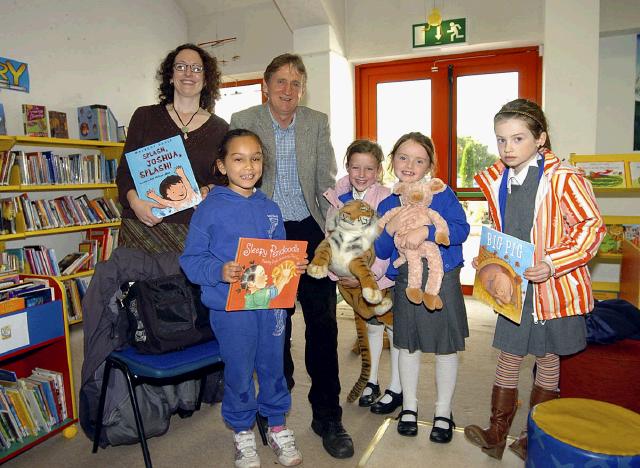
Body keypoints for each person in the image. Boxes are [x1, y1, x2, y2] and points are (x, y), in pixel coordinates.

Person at [464, 99, 605, 460]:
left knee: (547, 357)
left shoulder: (564, 178)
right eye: (501, 140)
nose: (508, 148)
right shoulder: (498, 179)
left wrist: (554, 262)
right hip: (515, 289)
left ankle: (533, 437)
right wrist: (489, 257)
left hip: (551, 290)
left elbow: (591, 227)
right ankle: (497, 432)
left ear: (541, 138)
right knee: (508, 354)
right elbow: (503, 227)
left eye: (518, 139)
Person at [230, 54, 354, 459]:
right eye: (280, 82)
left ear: (303, 88)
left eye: (295, 83)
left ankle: (327, 416)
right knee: (273, 328)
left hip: (308, 229)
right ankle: (272, 411)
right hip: (265, 233)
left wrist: (341, 238)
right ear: (266, 85)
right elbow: (237, 177)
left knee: (323, 326)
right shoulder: (244, 117)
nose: (288, 90)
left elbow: (325, 180)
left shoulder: (316, 122)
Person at [180, 129, 306, 468]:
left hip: (271, 307)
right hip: (231, 308)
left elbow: (280, 255)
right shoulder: (209, 210)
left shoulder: (271, 208)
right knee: (238, 369)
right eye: (238, 159)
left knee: (274, 366)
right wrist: (219, 271)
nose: (248, 166)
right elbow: (191, 260)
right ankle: (242, 432)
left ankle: (277, 424)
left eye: (255, 158)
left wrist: (295, 265)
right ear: (222, 165)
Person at [374, 132, 470, 442]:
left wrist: (428, 230)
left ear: (430, 165)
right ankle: (410, 407)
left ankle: (443, 410)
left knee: (445, 347)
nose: (410, 165)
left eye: (419, 160)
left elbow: (461, 229)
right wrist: (389, 228)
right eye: (403, 157)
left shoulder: (442, 193)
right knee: (406, 344)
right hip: (407, 280)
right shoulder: (390, 201)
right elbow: (381, 251)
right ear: (392, 161)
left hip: (444, 278)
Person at [116, 43, 228, 253]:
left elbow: (224, 180)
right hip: (142, 227)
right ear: (170, 75)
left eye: (196, 68)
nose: (188, 73)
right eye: (181, 66)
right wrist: (134, 202)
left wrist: (209, 190)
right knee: (139, 286)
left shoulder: (221, 128)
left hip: (194, 230)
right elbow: (124, 172)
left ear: (205, 80)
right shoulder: (144, 117)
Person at [322, 139, 401, 412]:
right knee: (372, 328)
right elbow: (329, 240)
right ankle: (373, 381)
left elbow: (387, 245)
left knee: (393, 328)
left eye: (369, 168)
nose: (361, 174)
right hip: (349, 280)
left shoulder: (387, 199)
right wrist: (337, 273)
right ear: (347, 167)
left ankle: (397, 386)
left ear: (379, 170)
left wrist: (371, 277)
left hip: (381, 280)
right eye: (356, 167)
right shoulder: (338, 199)